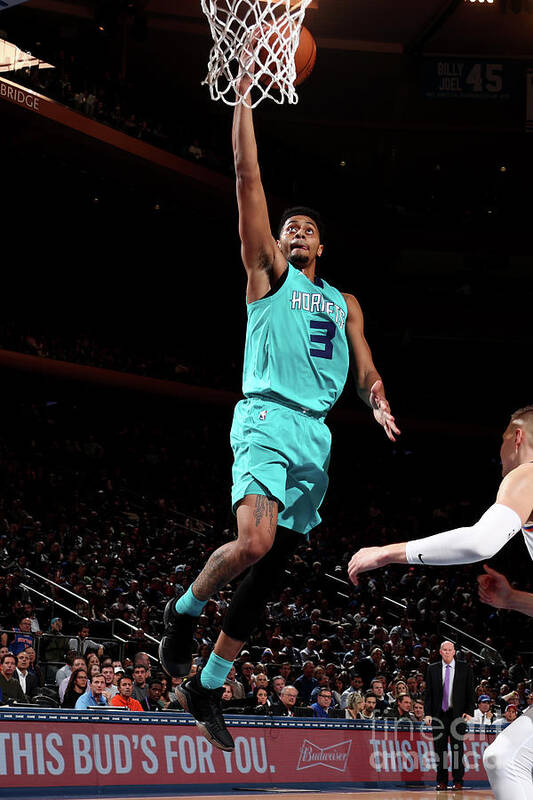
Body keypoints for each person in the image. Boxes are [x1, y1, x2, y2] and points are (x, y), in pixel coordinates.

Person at [158, 56, 399, 753]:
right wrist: (242, 101)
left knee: (267, 576)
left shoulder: (344, 301)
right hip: (265, 415)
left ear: (321, 244)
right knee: (254, 540)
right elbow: (246, 179)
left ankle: (206, 682)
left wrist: (376, 393)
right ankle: (180, 613)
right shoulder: (264, 276)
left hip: (315, 439)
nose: (293, 231)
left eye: (305, 229)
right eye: (286, 225)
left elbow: (363, 367)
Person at [347, 405, 533, 798]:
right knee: (506, 759)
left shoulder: (528, 473)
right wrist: (514, 599)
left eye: (501, 439)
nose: (499, 452)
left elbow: (478, 542)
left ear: (517, 437)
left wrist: (387, 553)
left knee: (508, 761)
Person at [421, 641, 475, 791]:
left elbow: (470, 691)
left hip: (458, 715)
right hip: (439, 715)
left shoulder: (465, 668)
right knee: (440, 750)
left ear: (454, 651)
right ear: (440, 652)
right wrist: (428, 714)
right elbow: (429, 694)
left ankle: (458, 781)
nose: (446, 652)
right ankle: (442, 781)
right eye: (444, 650)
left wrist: (469, 711)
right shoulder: (432, 669)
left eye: (449, 650)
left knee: (457, 749)